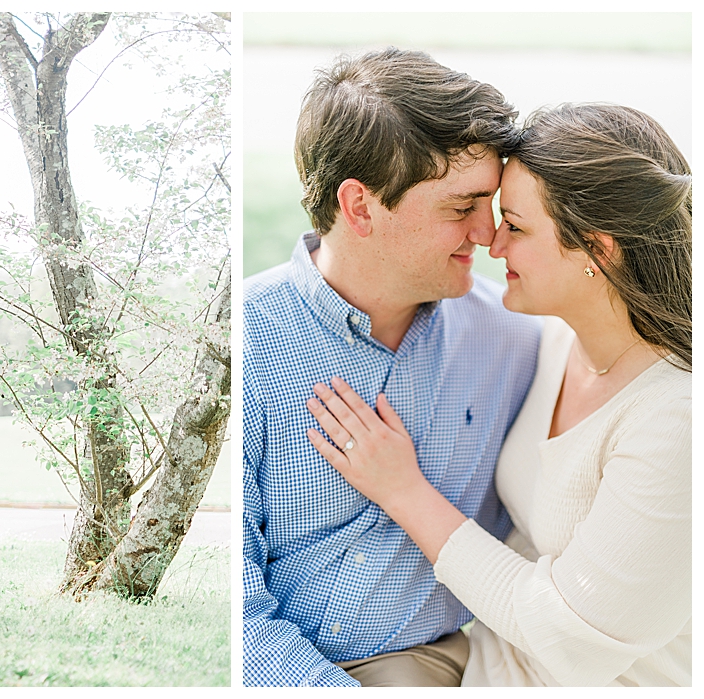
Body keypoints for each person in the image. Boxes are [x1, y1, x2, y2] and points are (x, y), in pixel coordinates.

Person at [305, 103, 691, 686]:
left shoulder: (677, 420)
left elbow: (573, 646)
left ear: (597, 250)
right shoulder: (556, 340)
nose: (491, 242)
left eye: (516, 225)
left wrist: (403, 490)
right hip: (483, 663)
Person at [241, 48, 544, 687]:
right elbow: (237, 610)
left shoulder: (515, 338)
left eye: (488, 205)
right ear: (359, 208)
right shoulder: (247, 344)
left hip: (471, 659)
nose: (489, 236)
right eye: (462, 208)